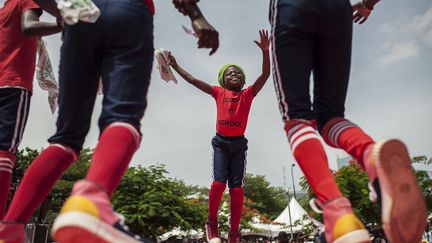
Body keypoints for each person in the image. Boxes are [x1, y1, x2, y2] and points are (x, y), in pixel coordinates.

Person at [0, 0, 219, 242]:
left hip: (81, 10)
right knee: (123, 116)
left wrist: (66, 10)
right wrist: (197, 17)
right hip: (128, 11)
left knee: (66, 138)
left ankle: (10, 227)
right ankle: (90, 201)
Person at [268, 0, 427, 242]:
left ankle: (337, 213)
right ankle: (371, 155)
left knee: (297, 117)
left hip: (293, 7)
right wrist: (368, 3)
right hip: (338, 9)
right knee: (330, 117)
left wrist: (195, 13)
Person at [167, 29, 270, 243]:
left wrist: (266, 52)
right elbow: (193, 80)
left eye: (239, 73)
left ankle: (234, 231)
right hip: (221, 143)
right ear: (223, 80)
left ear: (243, 81)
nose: (235, 75)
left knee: (236, 188)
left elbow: (265, 76)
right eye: (230, 73)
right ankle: (211, 223)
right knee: (218, 184)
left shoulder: (247, 94)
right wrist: (175, 66)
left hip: (239, 145)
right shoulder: (218, 92)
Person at [0, 0, 62, 220]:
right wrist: (61, 25)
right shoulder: (26, 1)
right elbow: (29, 27)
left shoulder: (4, 10)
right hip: (14, 85)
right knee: (6, 151)